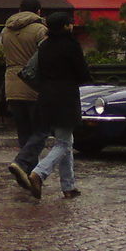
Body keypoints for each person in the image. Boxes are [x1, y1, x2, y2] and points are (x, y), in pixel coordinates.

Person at [18, 10, 90, 200]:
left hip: (46, 96)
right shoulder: (71, 45)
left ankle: (68, 186)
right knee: (64, 143)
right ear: (65, 26)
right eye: (70, 23)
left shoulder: (45, 45)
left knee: (65, 140)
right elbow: (82, 72)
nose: (72, 26)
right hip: (65, 97)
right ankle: (39, 173)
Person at [2, 0, 47, 190]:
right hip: (33, 83)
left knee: (24, 132)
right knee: (42, 130)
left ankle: (29, 175)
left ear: (19, 9)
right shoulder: (39, 30)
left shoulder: (5, 30)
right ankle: (22, 163)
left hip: (11, 84)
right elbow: (45, 56)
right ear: (38, 10)